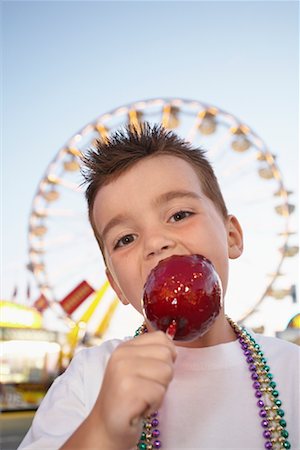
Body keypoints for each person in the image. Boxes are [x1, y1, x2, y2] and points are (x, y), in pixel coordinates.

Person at [19, 123, 299, 450]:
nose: (155, 243)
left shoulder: (291, 368)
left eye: (179, 214)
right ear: (117, 287)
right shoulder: (88, 377)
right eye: (125, 239)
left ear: (232, 237)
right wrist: (103, 430)